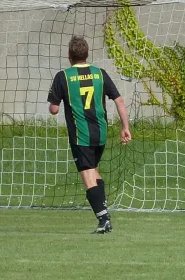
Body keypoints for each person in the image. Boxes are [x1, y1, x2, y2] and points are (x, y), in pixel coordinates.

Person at [47, 36, 131, 234]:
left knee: (87, 175)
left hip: (81, 135)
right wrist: (125, 127)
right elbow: (119, 100)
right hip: (101, 133)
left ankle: (103, 220)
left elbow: (53, 109)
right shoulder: (99, 74)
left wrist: (56, 100)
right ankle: (104, 213)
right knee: (93, 170)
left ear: (69, 56)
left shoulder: (63, 76)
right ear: (87, 54)